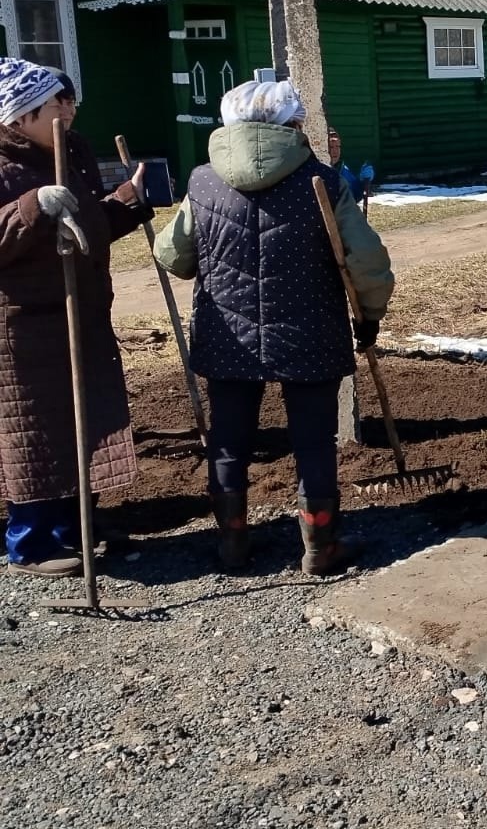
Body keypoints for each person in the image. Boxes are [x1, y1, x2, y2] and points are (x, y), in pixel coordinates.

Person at [155, 80, 395, 572]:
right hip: (309, 331)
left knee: (228, 439)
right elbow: (366, 261)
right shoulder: (323, 182)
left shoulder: (202, 182)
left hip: (228, 338)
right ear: (291, 124)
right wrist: (370, 316)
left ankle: (232, 542)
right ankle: (320, 546)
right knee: (313, 441)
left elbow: (173, 257)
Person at [0, 58, 150, 576]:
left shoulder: (71, 151)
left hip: (78, 312)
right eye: (55, 102)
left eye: (69, 99)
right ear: (19, 118)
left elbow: (86, 231)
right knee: (34, 434)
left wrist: (124, 205)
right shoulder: (3, 163)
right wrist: (32, 206)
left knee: (78, 426)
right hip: (22, 325)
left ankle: (76, 528)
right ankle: (31, 543)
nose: (69, 107)